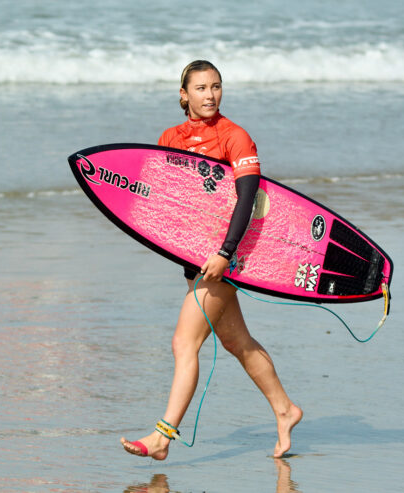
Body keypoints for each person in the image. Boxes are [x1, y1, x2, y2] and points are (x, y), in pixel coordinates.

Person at [121, 60, 302, 460]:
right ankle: (285, 410)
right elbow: (165, 201)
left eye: (216, 87)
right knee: (237, 342)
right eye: (200, 88)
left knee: (183, 342)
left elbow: (248, 199)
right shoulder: (169, 137)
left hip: (227, 257)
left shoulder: (235, 137)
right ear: (183, 94)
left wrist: (225, 252)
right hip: (195, 259)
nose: (210, 95)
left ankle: (162, 437)